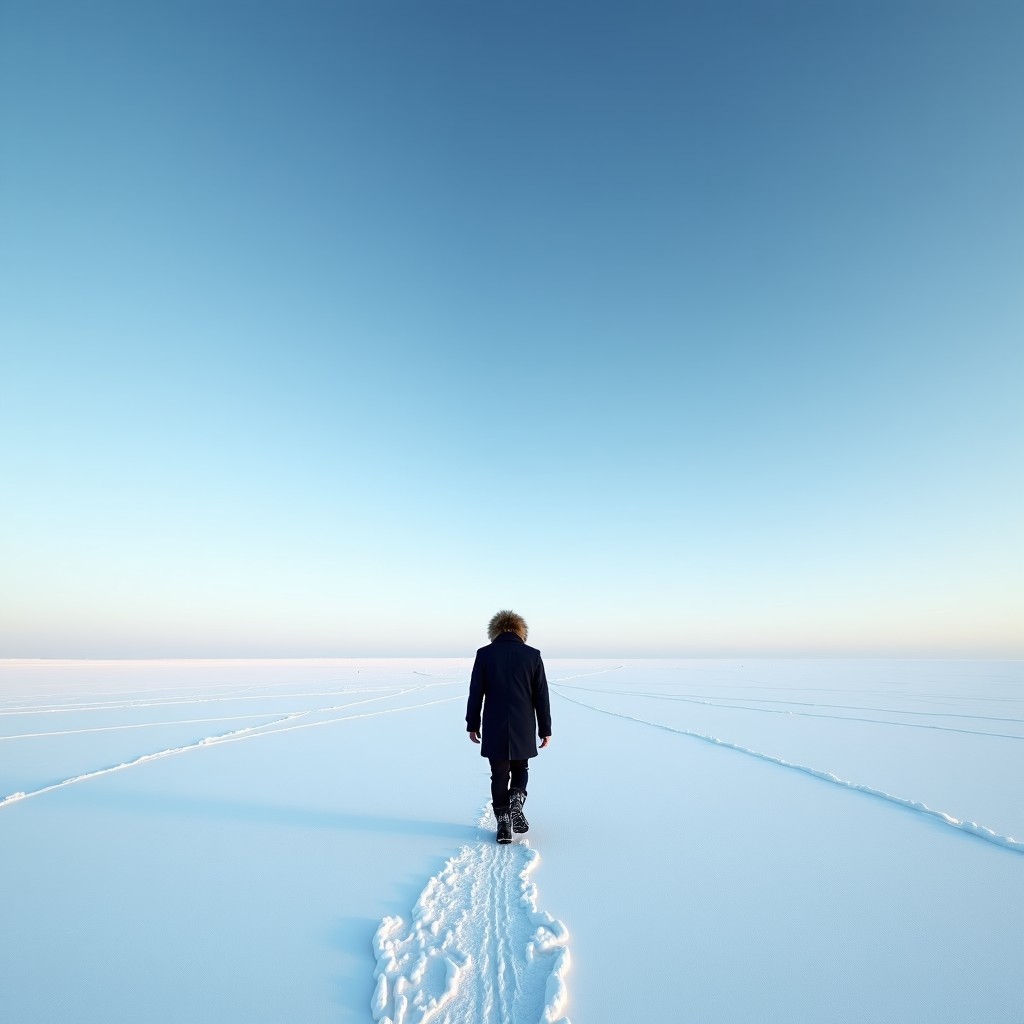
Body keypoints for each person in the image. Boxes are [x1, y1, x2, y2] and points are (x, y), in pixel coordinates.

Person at [466, 609, 552, 844]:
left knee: (498, 774)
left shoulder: (484, 654)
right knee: (521, 768)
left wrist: (472, 723)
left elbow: (476, 692)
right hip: (523, 723)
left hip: (494, 723)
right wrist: (545, 729)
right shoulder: (532, 655)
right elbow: (541, 696)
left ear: (494, 632)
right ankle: (516, 799)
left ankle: (504, 826)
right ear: (520, 632)